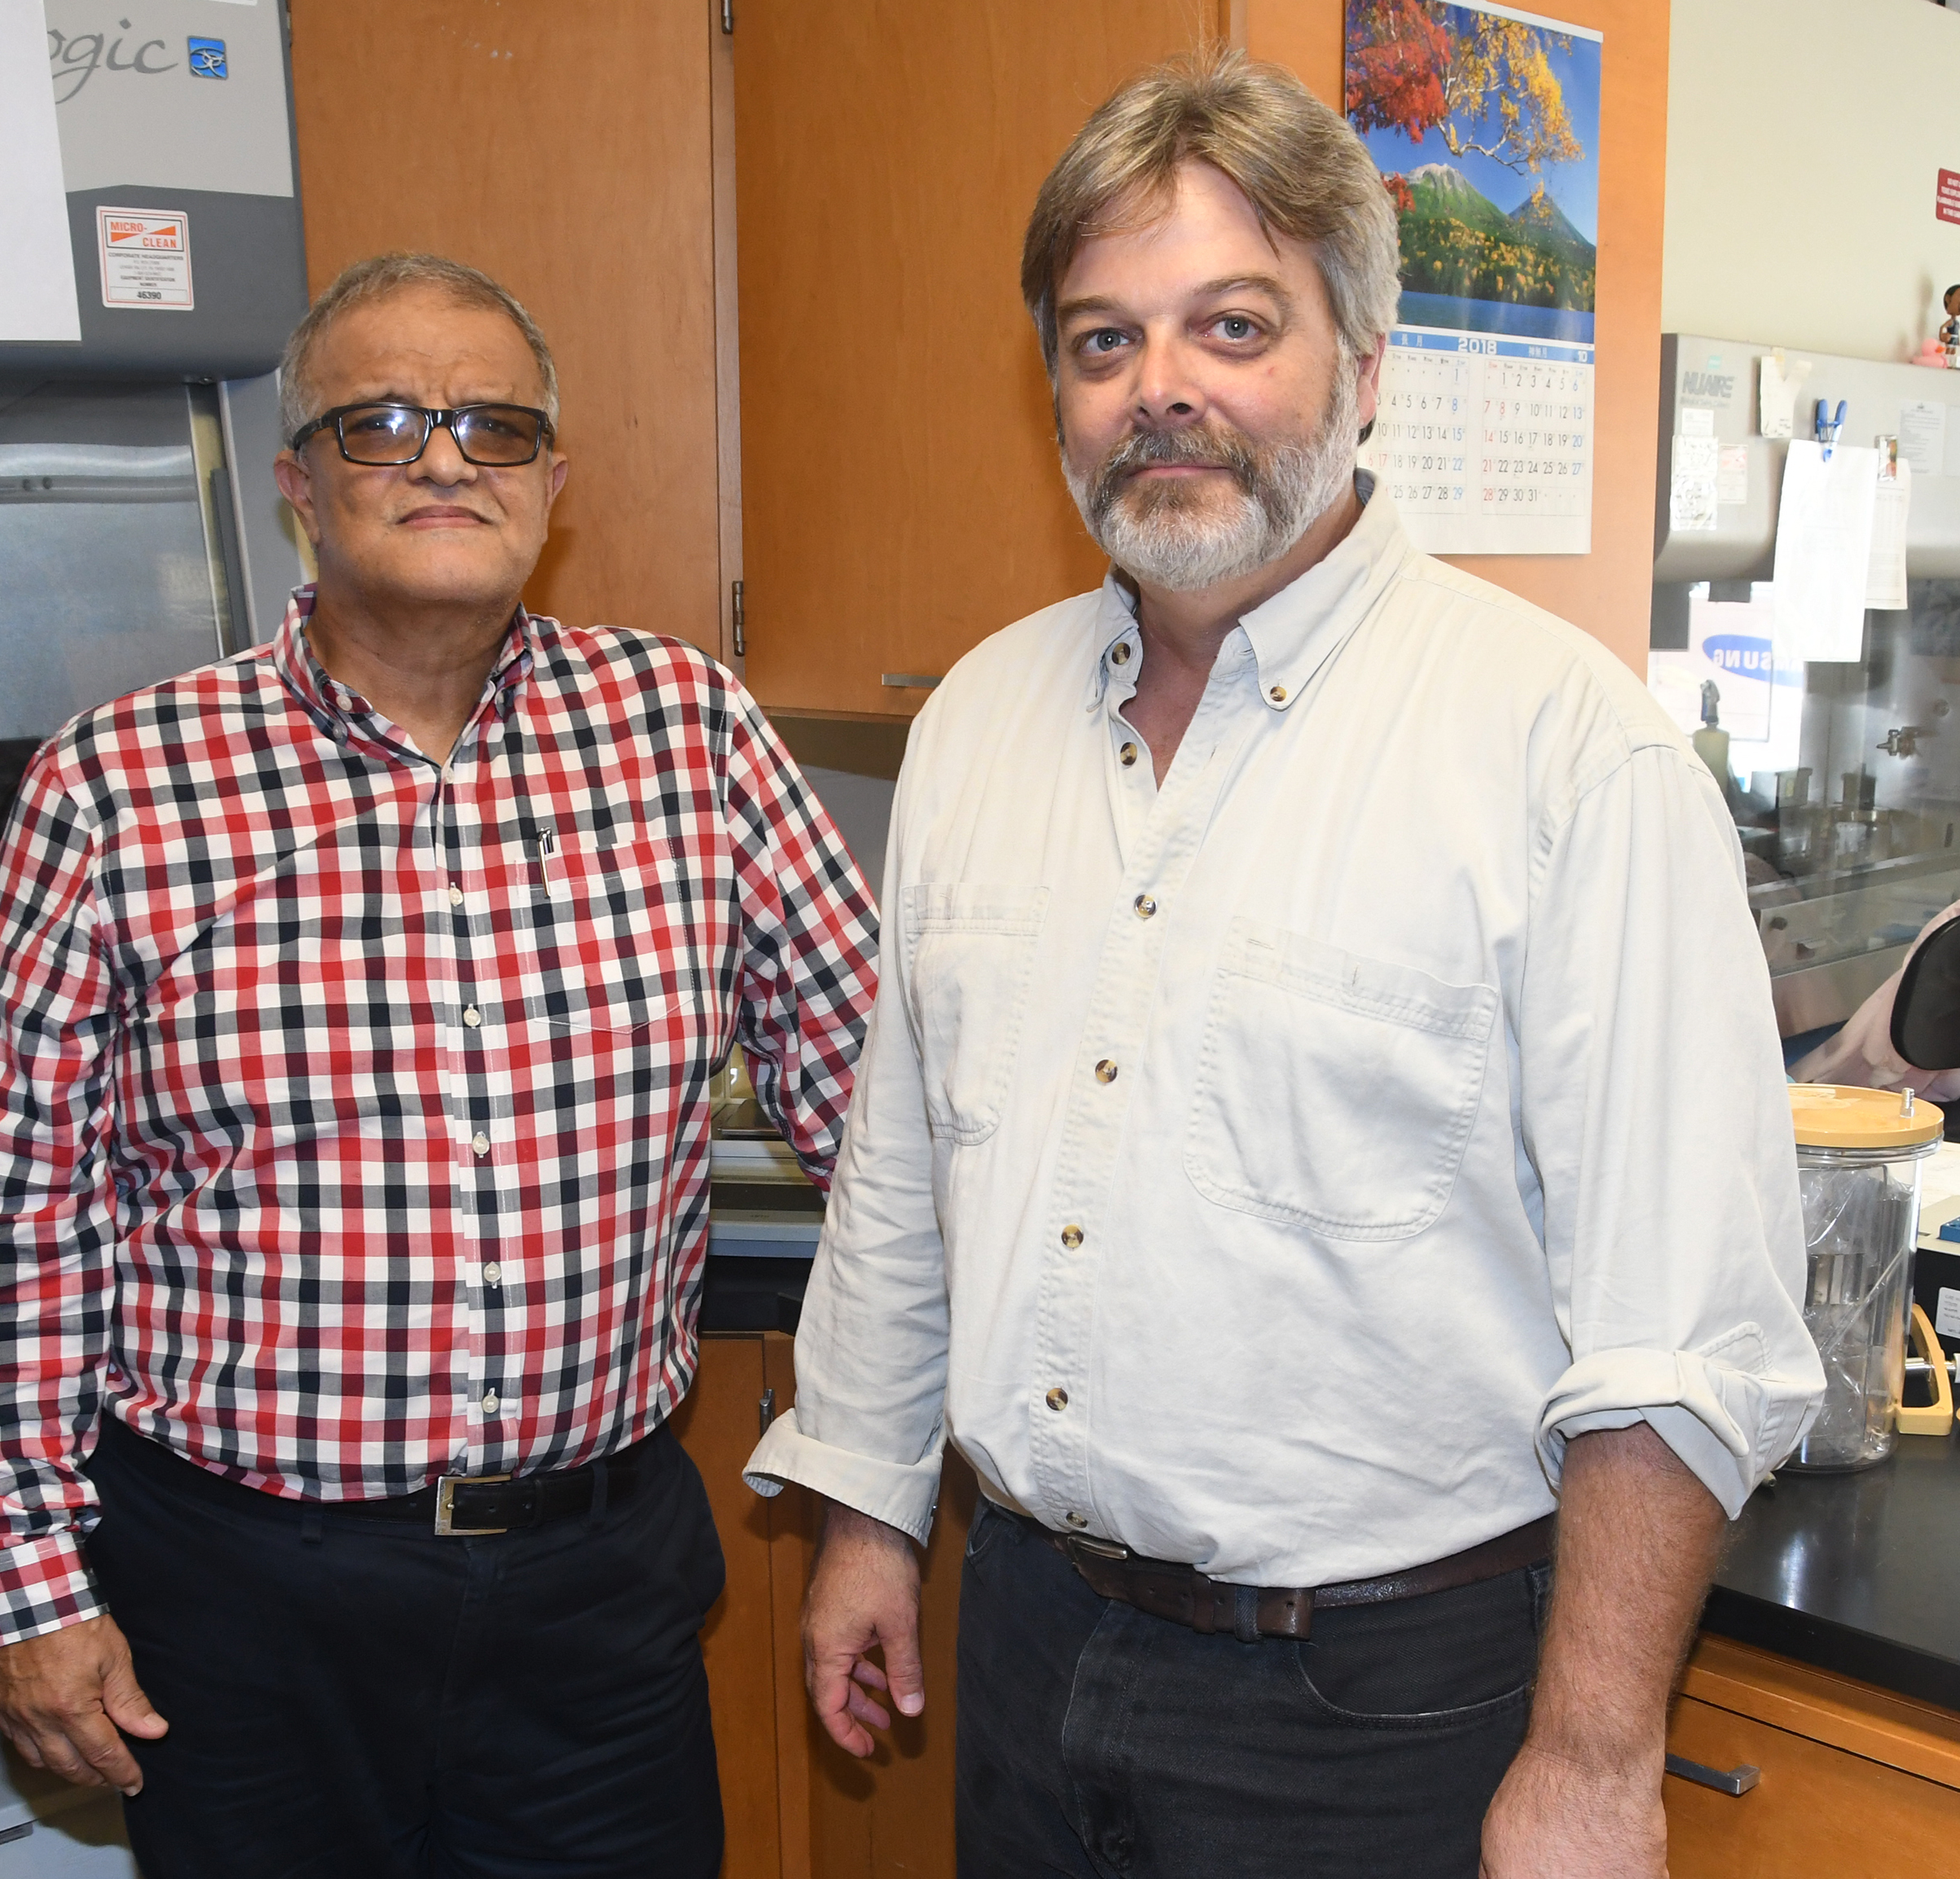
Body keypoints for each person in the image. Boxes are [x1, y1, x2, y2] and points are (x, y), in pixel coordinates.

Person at [745, 52, 1822, 1879]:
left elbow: (1682, 1325)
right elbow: (912, 1170)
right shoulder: (982, 721)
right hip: (1028, 1636)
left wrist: (1589, 1761)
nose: (1160, 387)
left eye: (1231, 325)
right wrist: (868, 1511)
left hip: (1374, 1701)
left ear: (1365, 366)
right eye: (1103, 342)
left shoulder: (1570, 756)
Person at [0, 251, 880, 1877]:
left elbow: (882, 1114)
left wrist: (903, 1463)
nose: (444, 458)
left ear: (551, 487)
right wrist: (28, 1581)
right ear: (299, 486)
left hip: (597, 1588)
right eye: (381, 424)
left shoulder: (689, 731)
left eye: (494, 426)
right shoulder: (125, 784)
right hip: (246, 1597)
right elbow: (15, 1211)